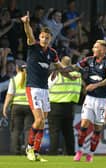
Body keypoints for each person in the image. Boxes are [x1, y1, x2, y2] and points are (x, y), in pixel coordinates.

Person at [21, 11, 77, 162]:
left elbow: (60, 68)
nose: (45, 39)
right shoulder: (33, 47)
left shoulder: (52, 53)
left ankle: (36, 153)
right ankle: (29, 148)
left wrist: (71, 74)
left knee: (43, 121)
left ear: (51, 39)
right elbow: (28, 35)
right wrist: (26, 23)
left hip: (44, 90)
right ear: (39, 38)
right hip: (33, 88)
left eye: (47, 37)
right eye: (43, 37)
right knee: (38, 120)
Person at [68, 40, 106, 162]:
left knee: (97, 129)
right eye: (94, 46)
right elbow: (76, 66)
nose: (93, 48)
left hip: (102, 101)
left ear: (103, 50)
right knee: (83, 125)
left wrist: (95, 85)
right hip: (89, 99)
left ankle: (90, 153)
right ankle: (79, 151)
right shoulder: (89, 60)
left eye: (96, 47)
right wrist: (61, 69)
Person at [48, 56, 82, 155]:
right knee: (68, 132)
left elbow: (48, 87)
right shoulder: (78, 75)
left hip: (55, 105)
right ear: (70, 63)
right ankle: (70, 153)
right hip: (70, 107)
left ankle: (53, 153)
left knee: (54, 132)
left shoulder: (55, 74)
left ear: (61, 63)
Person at [2, 60, 33, 155]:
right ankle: (28, 151)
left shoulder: (14, 80)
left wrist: (5, 108)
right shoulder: (32, 79)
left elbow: (9, 95)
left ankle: (15, 151)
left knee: (16, 130)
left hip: (16, 107)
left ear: (17, 68)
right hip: (30, 107)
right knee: (28, 130)